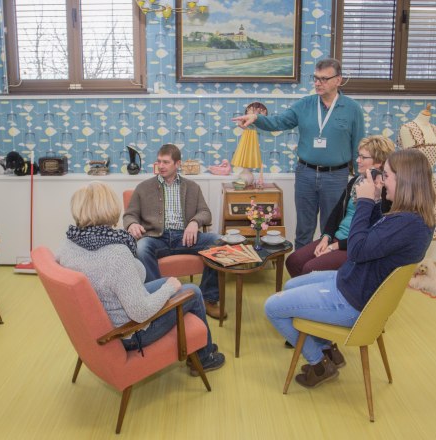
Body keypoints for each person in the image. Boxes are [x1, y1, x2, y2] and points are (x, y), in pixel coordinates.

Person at [264, 149, 435, 389]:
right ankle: (326, 347)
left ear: (405, 181)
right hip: (354, 283)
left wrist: (364, 202)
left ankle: (319, 364)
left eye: (386, 176)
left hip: (353, 300)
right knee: (291, 284)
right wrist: (376, 200)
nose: (382, 181)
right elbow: (375, 236)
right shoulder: (411, 217)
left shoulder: (407, 224)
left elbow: (356, 250)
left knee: (272, 307)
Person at [57, 182, 226, 375]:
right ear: (111, 209)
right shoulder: (116, 254)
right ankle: (204, 358)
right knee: (193, 292)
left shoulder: (69, 243)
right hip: (130, 331)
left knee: (172, 284)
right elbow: (140, 313)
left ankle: (201, 346)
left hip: (104, 317)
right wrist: (169, 289)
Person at [232, 58, 365, 249]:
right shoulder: (304, 104)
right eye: (315, 78)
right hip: (306, 174)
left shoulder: (353, 109)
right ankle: (300, 267)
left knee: (331, 230)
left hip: (336, 177)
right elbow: (278, 122)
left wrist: (361, 179)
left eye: (324, 79)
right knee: (303, 230)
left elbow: (359, 146)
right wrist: (256, 118)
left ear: (338, 80)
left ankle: (325, 265)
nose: (318, 83)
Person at [123, 144, 224, 319]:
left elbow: (205, 212)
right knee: (141, 248)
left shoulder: (192, 187)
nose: (160, 166)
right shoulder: (143, 188)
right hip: (156, 238)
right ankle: (158, 299)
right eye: (159, 161)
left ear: (177, 164)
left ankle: (209, 298)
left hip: (185, 238)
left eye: (166, 162)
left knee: (218, 241)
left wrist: (194, 222)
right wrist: (132, 224)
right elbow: (129, 214)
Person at [285, 135, 395, 278]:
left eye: (363, 157)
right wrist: (326, 238)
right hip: (336, 238)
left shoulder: (385, 192)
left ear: (379, 162)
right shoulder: (355, 181)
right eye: (358, 156)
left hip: (353, 246)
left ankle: (324, 291)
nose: (357, 160)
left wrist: (335, 246)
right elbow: (336, 213)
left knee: (309, 268)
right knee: (293, 261)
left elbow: (372, 235)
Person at [397, 104, 436, 240]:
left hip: (430, 182)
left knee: (430, 225)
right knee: (413, 226)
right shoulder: (407, 129)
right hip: (411, 183)